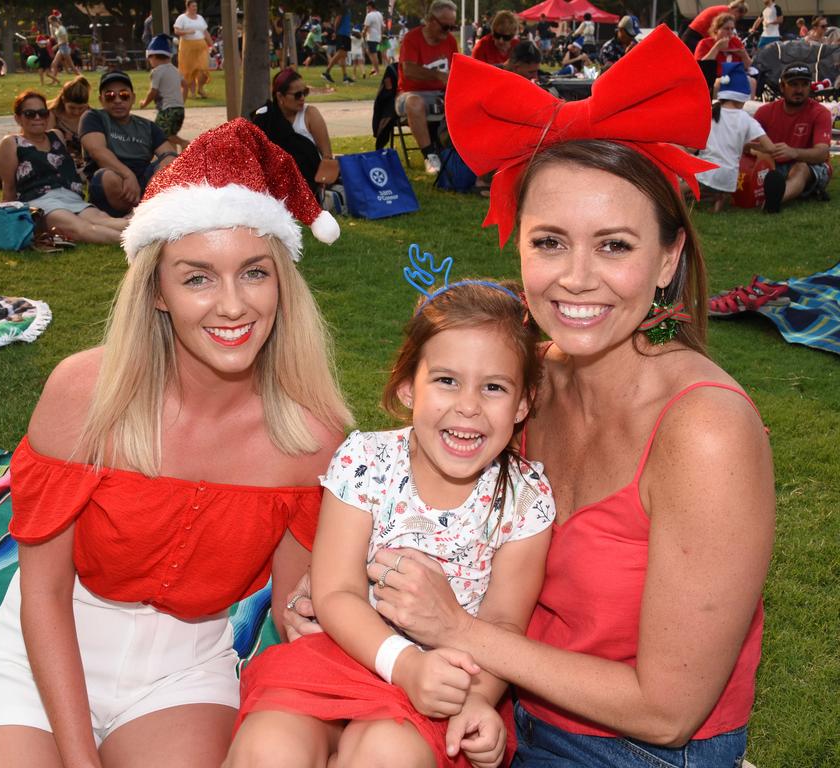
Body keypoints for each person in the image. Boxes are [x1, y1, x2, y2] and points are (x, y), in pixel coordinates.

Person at [310, 27, 773, 767]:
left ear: (668, 259)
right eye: (550, 241)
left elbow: (668, 711)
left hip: (632, 751)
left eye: (615, 246)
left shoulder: (706, 432)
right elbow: (423, 498)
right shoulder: (523, 385)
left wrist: (458, 630)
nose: (576, 277)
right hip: (494, 706)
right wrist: (352, 593)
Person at [0, 119, 348, 768]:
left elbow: (292, 606)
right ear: (159, 292)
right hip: (51, 645)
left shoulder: (313, 437)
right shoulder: (84, 393)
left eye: (254, 273)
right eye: (197, 278)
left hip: (186, 666)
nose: (232, 306)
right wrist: (80, 758)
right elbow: (45, 594)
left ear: (282, 281)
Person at [227, 275, 554, 768]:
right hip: (351, 650)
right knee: (270, 747)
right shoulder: (366, 463)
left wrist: (474, 699)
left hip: (444, 681)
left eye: (493, 387)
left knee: (388, 754)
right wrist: (402, 663)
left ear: (523, 403)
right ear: (407, 387)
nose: (468, 406)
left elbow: (504, 623)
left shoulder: (524, 500)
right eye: (446, 380)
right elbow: (335, 591)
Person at [0, 91, 127, 245]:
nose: (37, 118)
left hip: (70, 196)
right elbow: (9, 186)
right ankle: (138, 242)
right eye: (30, 114)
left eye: (42, 113)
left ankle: (154, 234)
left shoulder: (56, 136)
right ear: (18, 118)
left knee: (105, 220)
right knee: (80, 229)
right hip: (40, 201)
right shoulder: (12, 143)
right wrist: (7, 223)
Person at [81, 70, 179, 217]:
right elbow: (97, 151)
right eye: (110, 96)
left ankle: (141, 212)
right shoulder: (93, 117)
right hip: (111, 178)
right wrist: (127, 175)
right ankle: (145, 212)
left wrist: (158, 179)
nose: (118, 100)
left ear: (132, 98)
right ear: (101, 99)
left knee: (171, 165)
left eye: (124, 95)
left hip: (143, 179)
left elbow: (169, 154)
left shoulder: (147, 126)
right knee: (108, 177)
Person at [754, 62, 832, 213]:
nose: (799, 90)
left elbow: (822, 154)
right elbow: (746, 146)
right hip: (774, 164)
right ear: (782, 87)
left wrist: (794, 152)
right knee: (758, 159)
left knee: (800, 168)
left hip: (809, 165)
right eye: (794, 85)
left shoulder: (821, 113)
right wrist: (768, 150)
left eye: (804, 84)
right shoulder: (764, 112)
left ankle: (775, 200)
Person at [696, 63, 774, 212]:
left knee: (689, 179)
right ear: (744, 97)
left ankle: (674, 195)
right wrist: (753, 146)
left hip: (705, 173)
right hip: (729, 180)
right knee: (719, 179)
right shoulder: (747, 119)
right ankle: (717, 202)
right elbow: (770, 147)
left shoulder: (709, 111)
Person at [396, 0, 459, 174]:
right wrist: (437, 75)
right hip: (410, 93)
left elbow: (457, 69)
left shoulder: (450, 41)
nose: (448, 32)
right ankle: (430, 156)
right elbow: (408, 70)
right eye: (445, 27)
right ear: (431, 20)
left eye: (452, 27)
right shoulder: (412, 39)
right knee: (414, 102)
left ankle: (461, 152)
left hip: (441, 94)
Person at [251, 68, 334, 194]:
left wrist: (322, 186)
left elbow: (327, 156)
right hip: (274, 187)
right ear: (280, 96)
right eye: (297, 95)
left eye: (305, 92)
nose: (302, 98)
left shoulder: (310, 114)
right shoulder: (266, 119)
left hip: (309, 186)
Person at [140, 35, 188, 152]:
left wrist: (145, 103)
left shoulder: (157, 71)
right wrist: (181, 101)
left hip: (167, 109)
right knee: (170, 135)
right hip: (179, 109)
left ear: (154, 56)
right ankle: (173, 160)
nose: (150, 62)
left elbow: (153, 91)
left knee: (159, 132)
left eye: (149, 58)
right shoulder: (175, 70)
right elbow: (185, 85)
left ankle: (184, 143)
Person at [47, 75, 91, 178]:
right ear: (63, 100)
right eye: (72, 107)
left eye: (81, 108)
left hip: (83, 163)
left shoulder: (90, 115)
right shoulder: (52, 114)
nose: (76, 112)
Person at [175, 0, 213, 99]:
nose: (195, 8)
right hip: (187, 47)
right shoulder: (182, 18)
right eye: (193, 6)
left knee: (203, 68)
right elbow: (177, 30)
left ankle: (200, 88)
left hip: (201, 46)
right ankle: (192, 93)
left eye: (196, 6)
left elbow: (205, 32)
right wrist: (187, 31)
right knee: (189, 71)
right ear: (188, 7)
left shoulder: (200, 18)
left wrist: (212, 45)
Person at [681, 0, 747, 51]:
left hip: (691, 36)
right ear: (736, 11)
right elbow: (720, 33)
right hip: (694, 38)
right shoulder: (724, 14)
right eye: (740, 17)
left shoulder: (723, 9)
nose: (738, 19)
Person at [323, 6, 356, 84]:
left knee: (343, 56)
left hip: (345, 34)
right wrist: (335, 32)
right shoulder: (343, 7)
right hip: (342, 34)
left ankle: (345, 77)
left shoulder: (347, 8)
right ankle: (326, 72)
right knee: (341, 53)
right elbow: (338, 19)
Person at [49, 12, 82, 79]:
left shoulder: (61, 28)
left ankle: (81, 78)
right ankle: (54, 80)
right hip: (61, 48)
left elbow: (65, 40)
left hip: (65, 48)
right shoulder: (57, 29)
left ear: (54, 21)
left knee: (71, 66)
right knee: (54, 64)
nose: (50, 24)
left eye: (51, 22)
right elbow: (55, 37)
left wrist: (56, 46)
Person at [364, 1, 384, 75]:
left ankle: (377, 71)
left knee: (373, 54)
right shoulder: (379, 14)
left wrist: (363, 34)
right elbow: (382, 27)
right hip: (377, 37)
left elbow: (366, 27)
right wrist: (381, 36)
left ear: (369, 6)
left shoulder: (369, 15)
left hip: (371, 37)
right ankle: (374, 67)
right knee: (369, 51)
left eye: (367, 7)